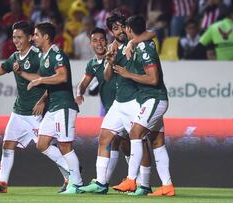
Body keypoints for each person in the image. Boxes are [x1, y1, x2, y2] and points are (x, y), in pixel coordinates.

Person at [0, 21, 71, 194]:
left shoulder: (38, 55)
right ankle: (2, 184)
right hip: (19, 111)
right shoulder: (14, 57)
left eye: (20, 37)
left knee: (45, 147)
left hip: (36, 112)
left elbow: (48, 77)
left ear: (30, 37)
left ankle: (71, 174)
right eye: (14, 37)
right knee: (7, 145)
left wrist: (43, 101)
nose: (16, 41)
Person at [78, 12, 155, 196]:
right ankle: (101, 183)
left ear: (126, 28)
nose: (119, 30)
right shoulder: (113, 49)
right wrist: (109, 62)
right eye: (115, 28)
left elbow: (152, 33)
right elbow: (107, 77)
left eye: (121, 26)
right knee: (104, 137)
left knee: (139, 142)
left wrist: (131, 42)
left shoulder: (136, 41)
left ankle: (144, 184)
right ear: (112, 32)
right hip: (119, 103)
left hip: (135, 100)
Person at [16, 22, 83, 194]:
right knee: (42, 143)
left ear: (46, 37)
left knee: (65, 146)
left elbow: (62, 77)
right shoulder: (44, 56)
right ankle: (73, 171)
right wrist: (43, 99)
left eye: (36, 34)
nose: (33, 38)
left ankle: (76, 184)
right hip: (53, 106)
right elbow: (51, 82)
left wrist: (39, 80)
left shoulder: (56, 53)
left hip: (64, 106)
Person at [113, 15, 174, 197]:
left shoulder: (144, 48)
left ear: (130, 30)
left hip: (154, 98)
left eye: (126, 29)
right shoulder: (139, 43)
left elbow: (154, 79)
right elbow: (150, 33)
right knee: (157, 142)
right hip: (149, 99)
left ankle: (131, 180)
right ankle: (167, 185)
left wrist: (128, 74)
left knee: (134, 133)